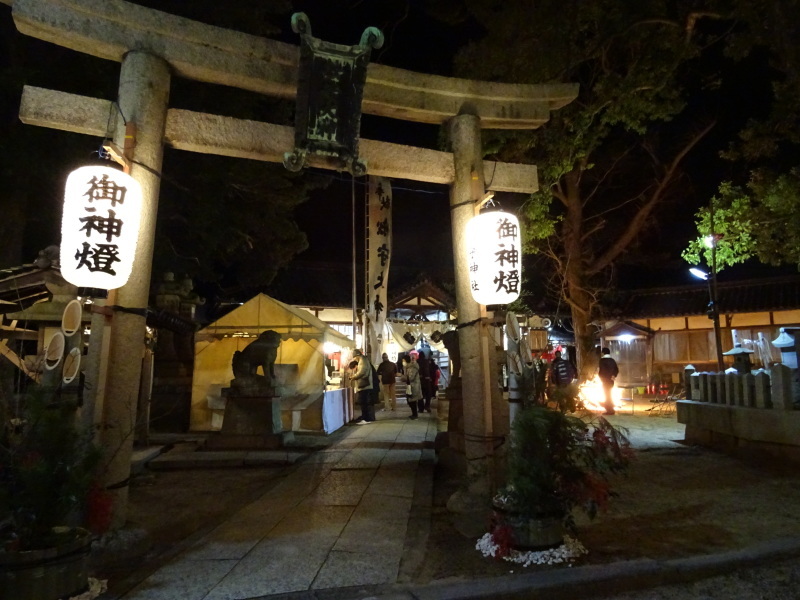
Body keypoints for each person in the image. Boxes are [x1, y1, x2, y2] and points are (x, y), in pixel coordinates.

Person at [350, 349, 376, 424]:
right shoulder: (363, 360)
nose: (355, 359)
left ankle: (366, 418)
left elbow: (362, 372)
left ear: (357, 355)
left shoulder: (362, 360)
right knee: (364, 402)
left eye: (354, 358)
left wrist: (353, 377)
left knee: (364, 402)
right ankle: (366, 417)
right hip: (365, 385)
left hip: (365, 385)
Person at [598, 347, 620, 415]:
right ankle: (611, 409)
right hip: (611, 380)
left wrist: (600, 377)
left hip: (605, 380)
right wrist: (613, 375)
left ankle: (609, 410)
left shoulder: (602, 360)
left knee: (607, 395)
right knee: (609, 394)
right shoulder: (612, 360)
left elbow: (601, 371)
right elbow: (616, 369)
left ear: (603, 353)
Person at [402, 354, 422, 419]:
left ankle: (415, 414)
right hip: (411, 386)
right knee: (410, 400)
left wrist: (403, 377)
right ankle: (414, 414)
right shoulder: (409, 367)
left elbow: (411, 377)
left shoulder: (413, 367)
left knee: (412, 401)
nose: (403, 362)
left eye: (404, 361)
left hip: (413, 386)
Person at [416, 348, 432, 413]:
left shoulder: (417, 362)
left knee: (420, 395)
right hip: (427, 380)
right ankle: (427, 405)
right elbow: (429, 370)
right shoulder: (427, 361)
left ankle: (421, 408)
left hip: (420, 380)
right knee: (428, 394)